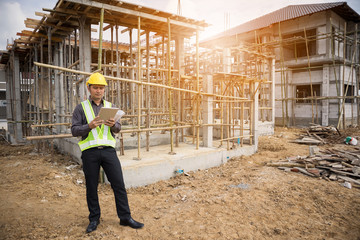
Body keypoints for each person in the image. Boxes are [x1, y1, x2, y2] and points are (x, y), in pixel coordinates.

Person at [71, 72, 144, 233]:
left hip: (109, 152)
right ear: (89, 88)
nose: (98, 90)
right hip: (90, 153)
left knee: (119, 184)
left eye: (101, 88)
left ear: (104, 90)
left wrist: (113, 124)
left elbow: (118, 129)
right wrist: (89, 126)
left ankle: (125, 217)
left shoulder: (110, 107)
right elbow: (74, 130)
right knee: (91, 187)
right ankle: (94, 219)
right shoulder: (81, 108)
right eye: (95, 87)